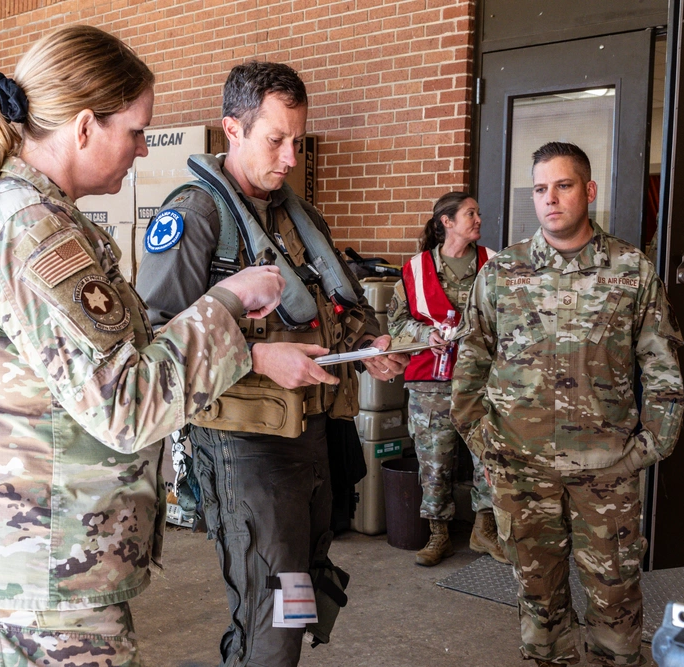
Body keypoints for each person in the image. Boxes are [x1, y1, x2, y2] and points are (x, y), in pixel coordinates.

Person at [0, 26, 286, 667]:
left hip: (43, 566)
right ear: (84, 126)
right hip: (43, 580)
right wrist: (226, 302)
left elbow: (102, 361)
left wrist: (254, 355)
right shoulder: (31, 234)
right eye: (135, 130)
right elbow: (126, 405)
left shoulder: (37, 219)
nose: (143, 147)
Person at [135, 61, 410, 667]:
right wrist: (258, 355)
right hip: (247, 450)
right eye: (274, 140)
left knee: (300, 594)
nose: (289, 157)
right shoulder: (194, 219)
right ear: (231, 129)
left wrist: (372, 347)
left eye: (297, 140)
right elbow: (153, 341)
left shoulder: (297, 217)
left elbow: (332, 304)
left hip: (310, 440)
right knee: (270, 615)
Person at [450, 142, 684, 667]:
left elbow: (662, 369)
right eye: (540, 188)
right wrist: (484, 446)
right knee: (539, 602)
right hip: (521, 471)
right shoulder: (503, 271)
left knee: (616, 601)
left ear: (589, 191)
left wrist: (647, 448)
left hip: (606, 472)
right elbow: (470, 362)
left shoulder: (631, 271)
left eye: (563, 185)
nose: (550, 199)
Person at [387, 192, 506, 567]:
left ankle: (483, 530)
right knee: (434, 461)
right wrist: (425, 336)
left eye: (478, 212)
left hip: (483, 381)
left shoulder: (495, 264)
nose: (479, 220)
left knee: (488, 456)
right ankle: (438, 534)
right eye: (471, 213)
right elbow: (396, 322)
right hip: (430, 383)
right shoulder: (415, 269)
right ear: (446, 221)